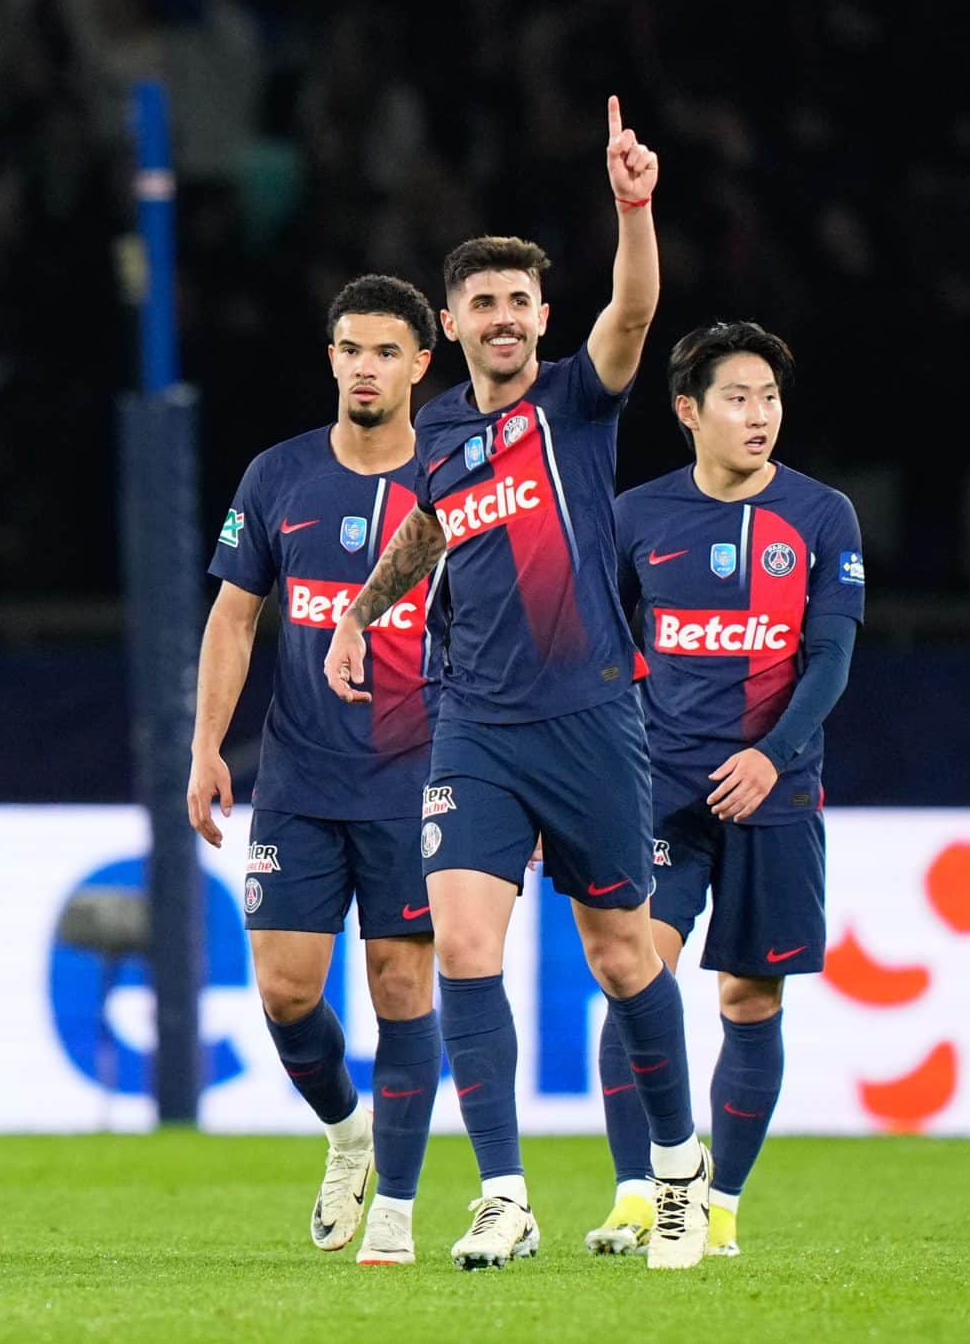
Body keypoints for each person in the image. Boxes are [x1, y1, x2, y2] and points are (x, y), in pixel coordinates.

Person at [325, 98, 713, 1272]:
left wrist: (633, 207)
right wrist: (360, 611)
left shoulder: (575, 404)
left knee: (622, 955)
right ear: (449, 324)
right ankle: (503, 1194)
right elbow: (427, 532)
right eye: (481, 302)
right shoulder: (437, 433)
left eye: (518, 302)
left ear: (543, 318)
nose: (501, 317)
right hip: (475, 726)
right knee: (461, 947)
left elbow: (633, 310)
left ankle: (676, 1172)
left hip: (591, 713)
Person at [188, 275, 444, 1267]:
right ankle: (347, 1133)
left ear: (421, 364)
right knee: (287, 990)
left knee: (401, 983)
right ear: (331, 358)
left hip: (416, 775)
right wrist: (207, 745)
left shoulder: (453, 482)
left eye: (386, 352)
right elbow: (233, 618)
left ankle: (398, 1213)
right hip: (299, 777)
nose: (365, 368)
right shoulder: (278, 476)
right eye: (350, 350)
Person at [595, 321, 862, 1259]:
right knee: (635, 977)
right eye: (739, 398)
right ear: (688, 410)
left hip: (775, 793)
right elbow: (598, 651)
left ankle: (721, 1206)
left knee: (751, 999)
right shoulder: (635, 517)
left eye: (770, 398)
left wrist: (772, 756)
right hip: (660, 791)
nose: (759, 416)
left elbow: (830, 658)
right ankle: (638, 1193)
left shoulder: (823, 515)